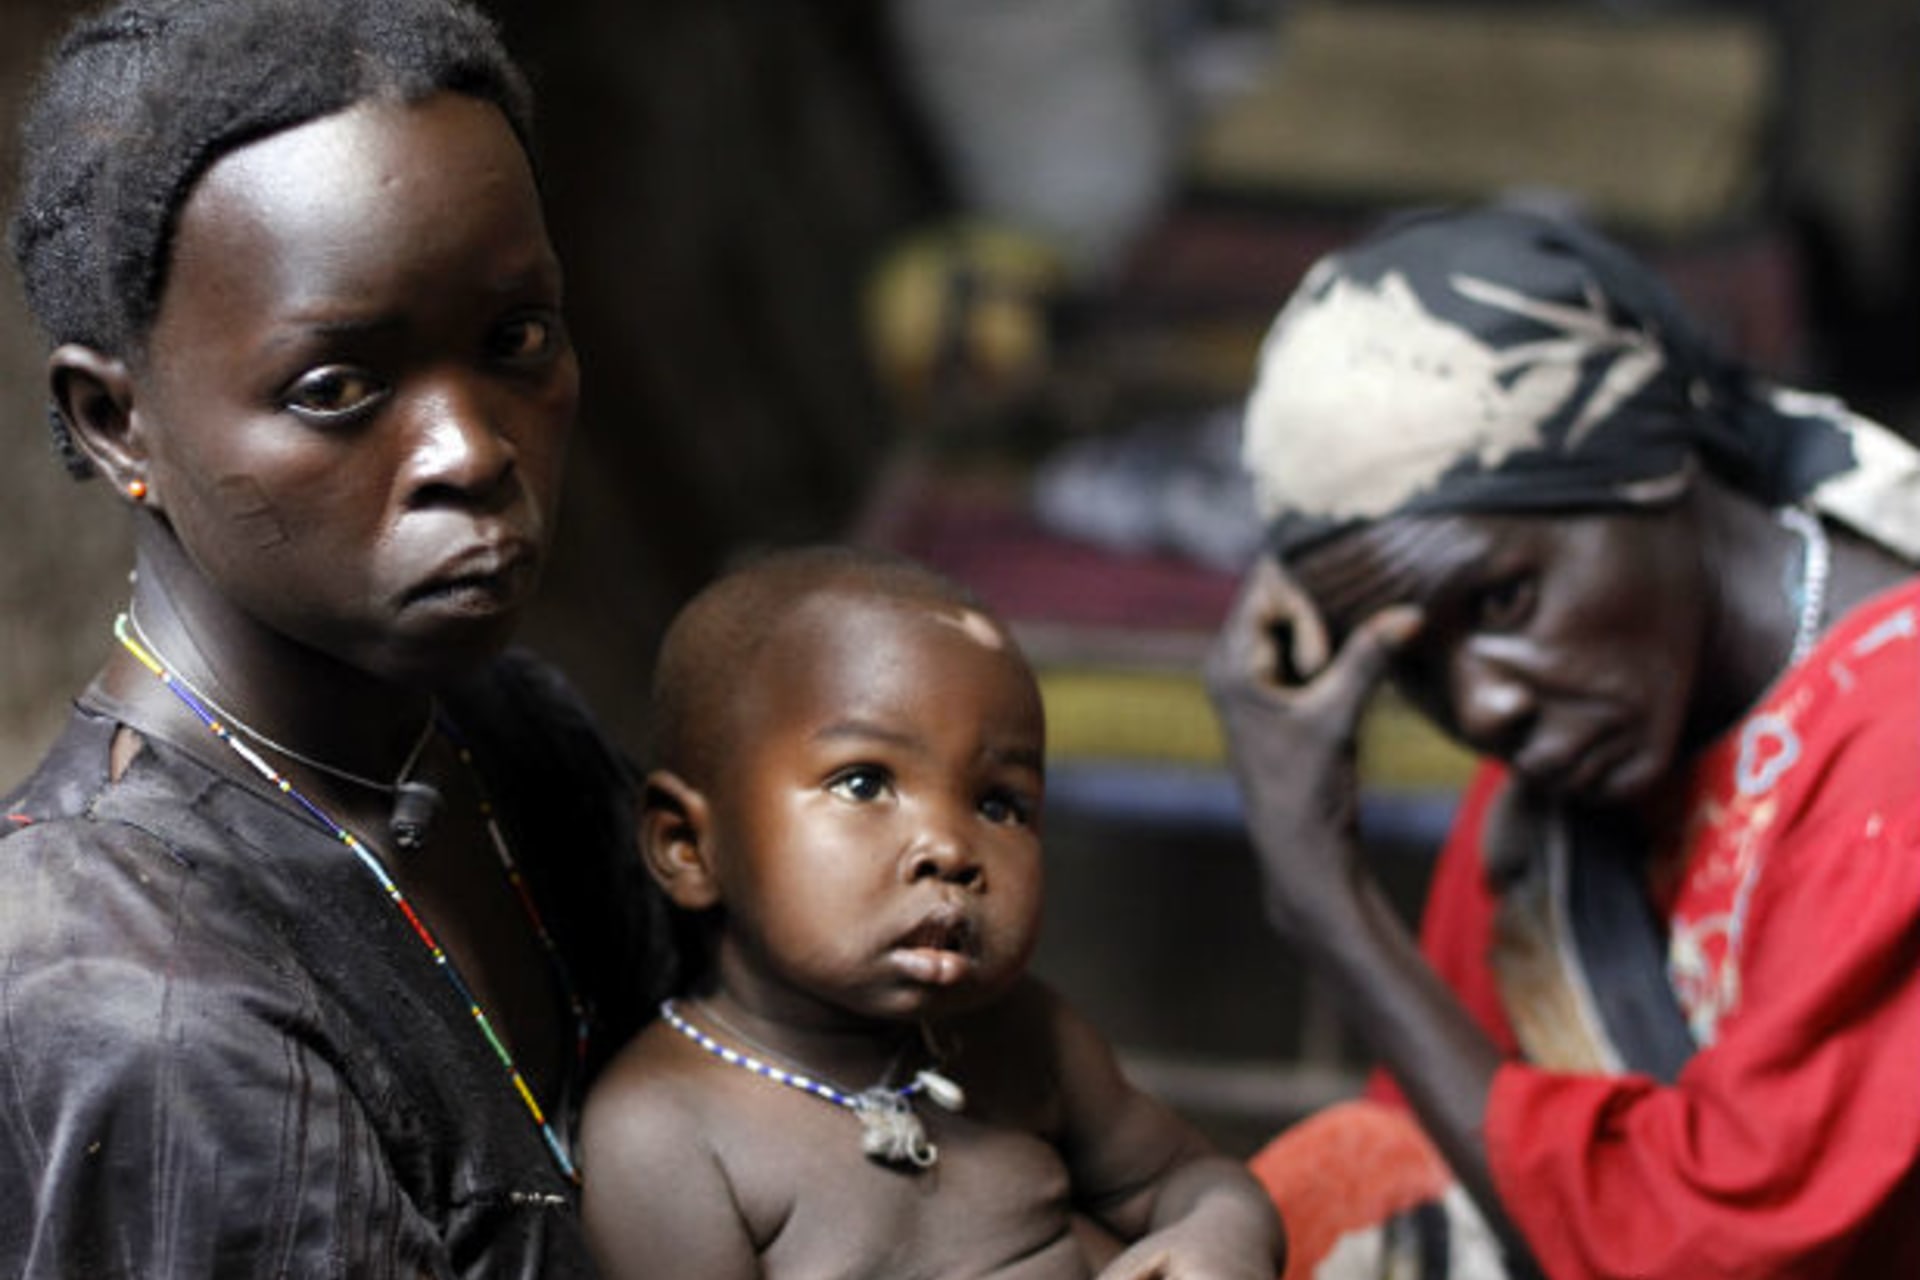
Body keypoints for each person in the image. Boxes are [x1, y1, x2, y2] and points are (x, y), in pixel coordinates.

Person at [0, 0, 667, 1272]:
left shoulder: (510, 738)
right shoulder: (135, 1001)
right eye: (338, 389)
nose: (472, 451)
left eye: (516, 340)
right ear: (114, 424)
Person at [1205, 203, 1920, 1278]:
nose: (1486, 706)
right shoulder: (1554, 785)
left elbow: (1712, 1251)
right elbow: (1442, 1145)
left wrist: (1328, 907)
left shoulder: (1895, 747)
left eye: (1501, 600)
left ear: (1649, 468)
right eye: (1414, 662)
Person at [579, 545, 1286, 1279]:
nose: (950, 848)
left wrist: (1221, 1234)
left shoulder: (1022, 1035)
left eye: (999, 804)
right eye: (862, 784)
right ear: (690, 846)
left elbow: (1192, 1180)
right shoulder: (665, 1133)